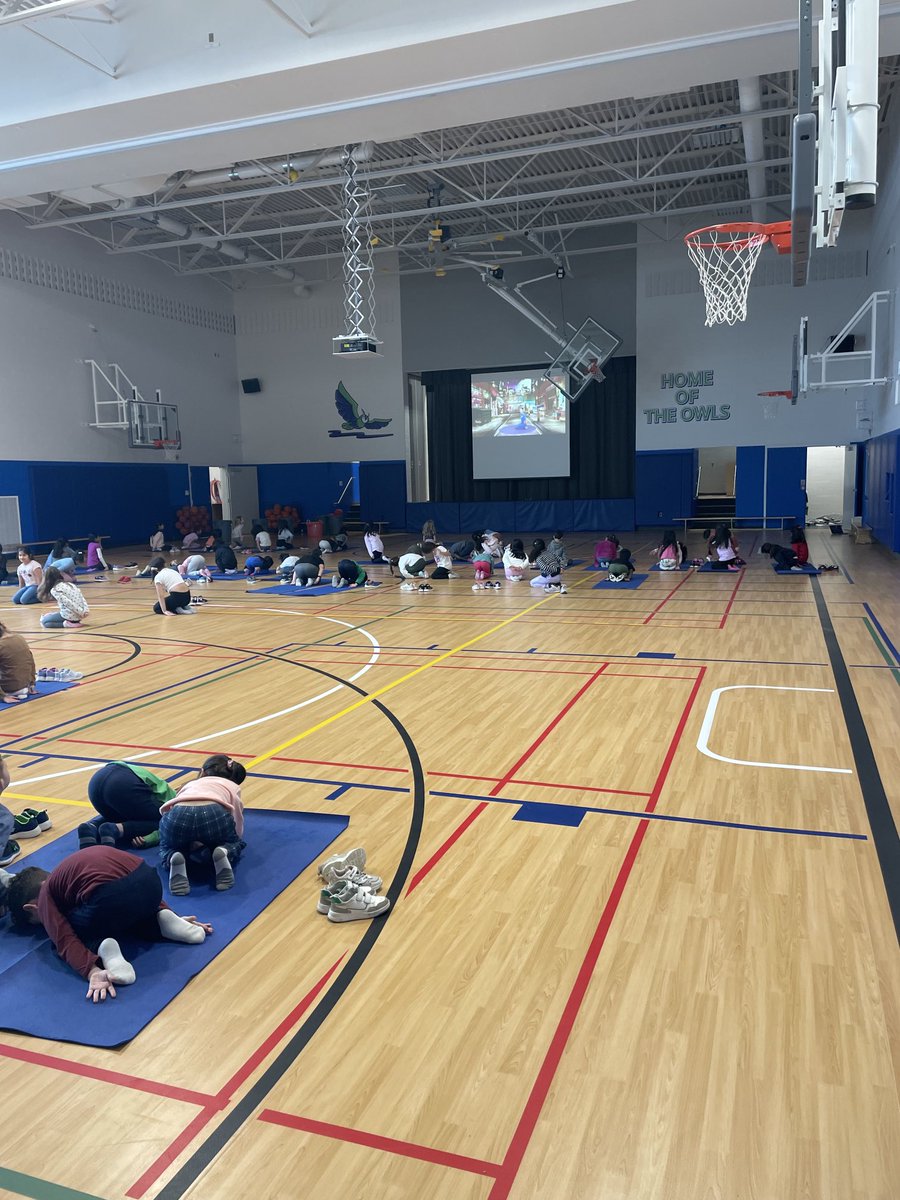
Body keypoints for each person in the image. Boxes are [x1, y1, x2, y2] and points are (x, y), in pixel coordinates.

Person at [3, 846, 212, 1001]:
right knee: (125, 907)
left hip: (110, 898)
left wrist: (92, 971)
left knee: (66, 926)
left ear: (32, 908)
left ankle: (105, 947)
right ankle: (162, 921)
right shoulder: (70, 866)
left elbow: (63, 939)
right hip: (151, 883)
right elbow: (129, 880)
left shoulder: (46, 894)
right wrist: (167, 910)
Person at [158, 755, 246, 895]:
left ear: (202, 771)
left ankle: (173, 855)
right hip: (213, 813)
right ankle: (223, 851)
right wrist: (234, 840)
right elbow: (236, 816)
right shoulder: (232, 787)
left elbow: (170, 807)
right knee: (233, 842)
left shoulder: (189, 784)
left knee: (167, 845)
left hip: (178, 815)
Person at [80, 761, 176, 850]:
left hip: (97, 781)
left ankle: (92, 826)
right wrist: (149, 839)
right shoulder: (178, 805)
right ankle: (116, 829)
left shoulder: (170, 791)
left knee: (123, 813)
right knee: (163, 820)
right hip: (122, 784)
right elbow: (171, 826)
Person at [0, 621, 37, 704]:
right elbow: (31, 662)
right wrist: (32, 683)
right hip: (25, 687)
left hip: (9, 689)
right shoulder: (19, 637)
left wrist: (3, 697)